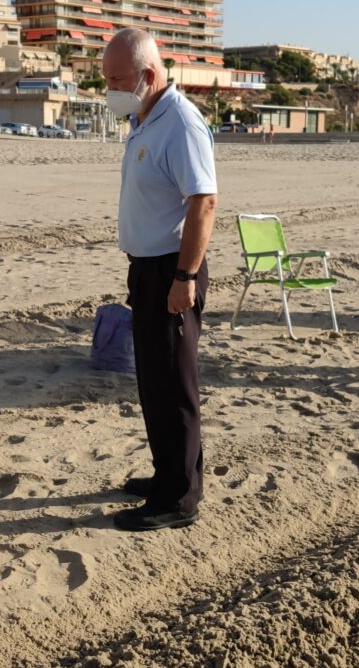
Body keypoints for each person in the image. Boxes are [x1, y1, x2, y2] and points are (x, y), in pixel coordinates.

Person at [102, 29, 218, 531]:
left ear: (148, 76)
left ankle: (179, 499)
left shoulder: (182, 123)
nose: (109, 89)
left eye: (116, 80)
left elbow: (204, 202)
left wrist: (185, 276)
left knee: (174, 384)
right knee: (153, 380)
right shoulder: (145, 116)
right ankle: (168, 472)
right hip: (145, 269)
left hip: (173, 269)